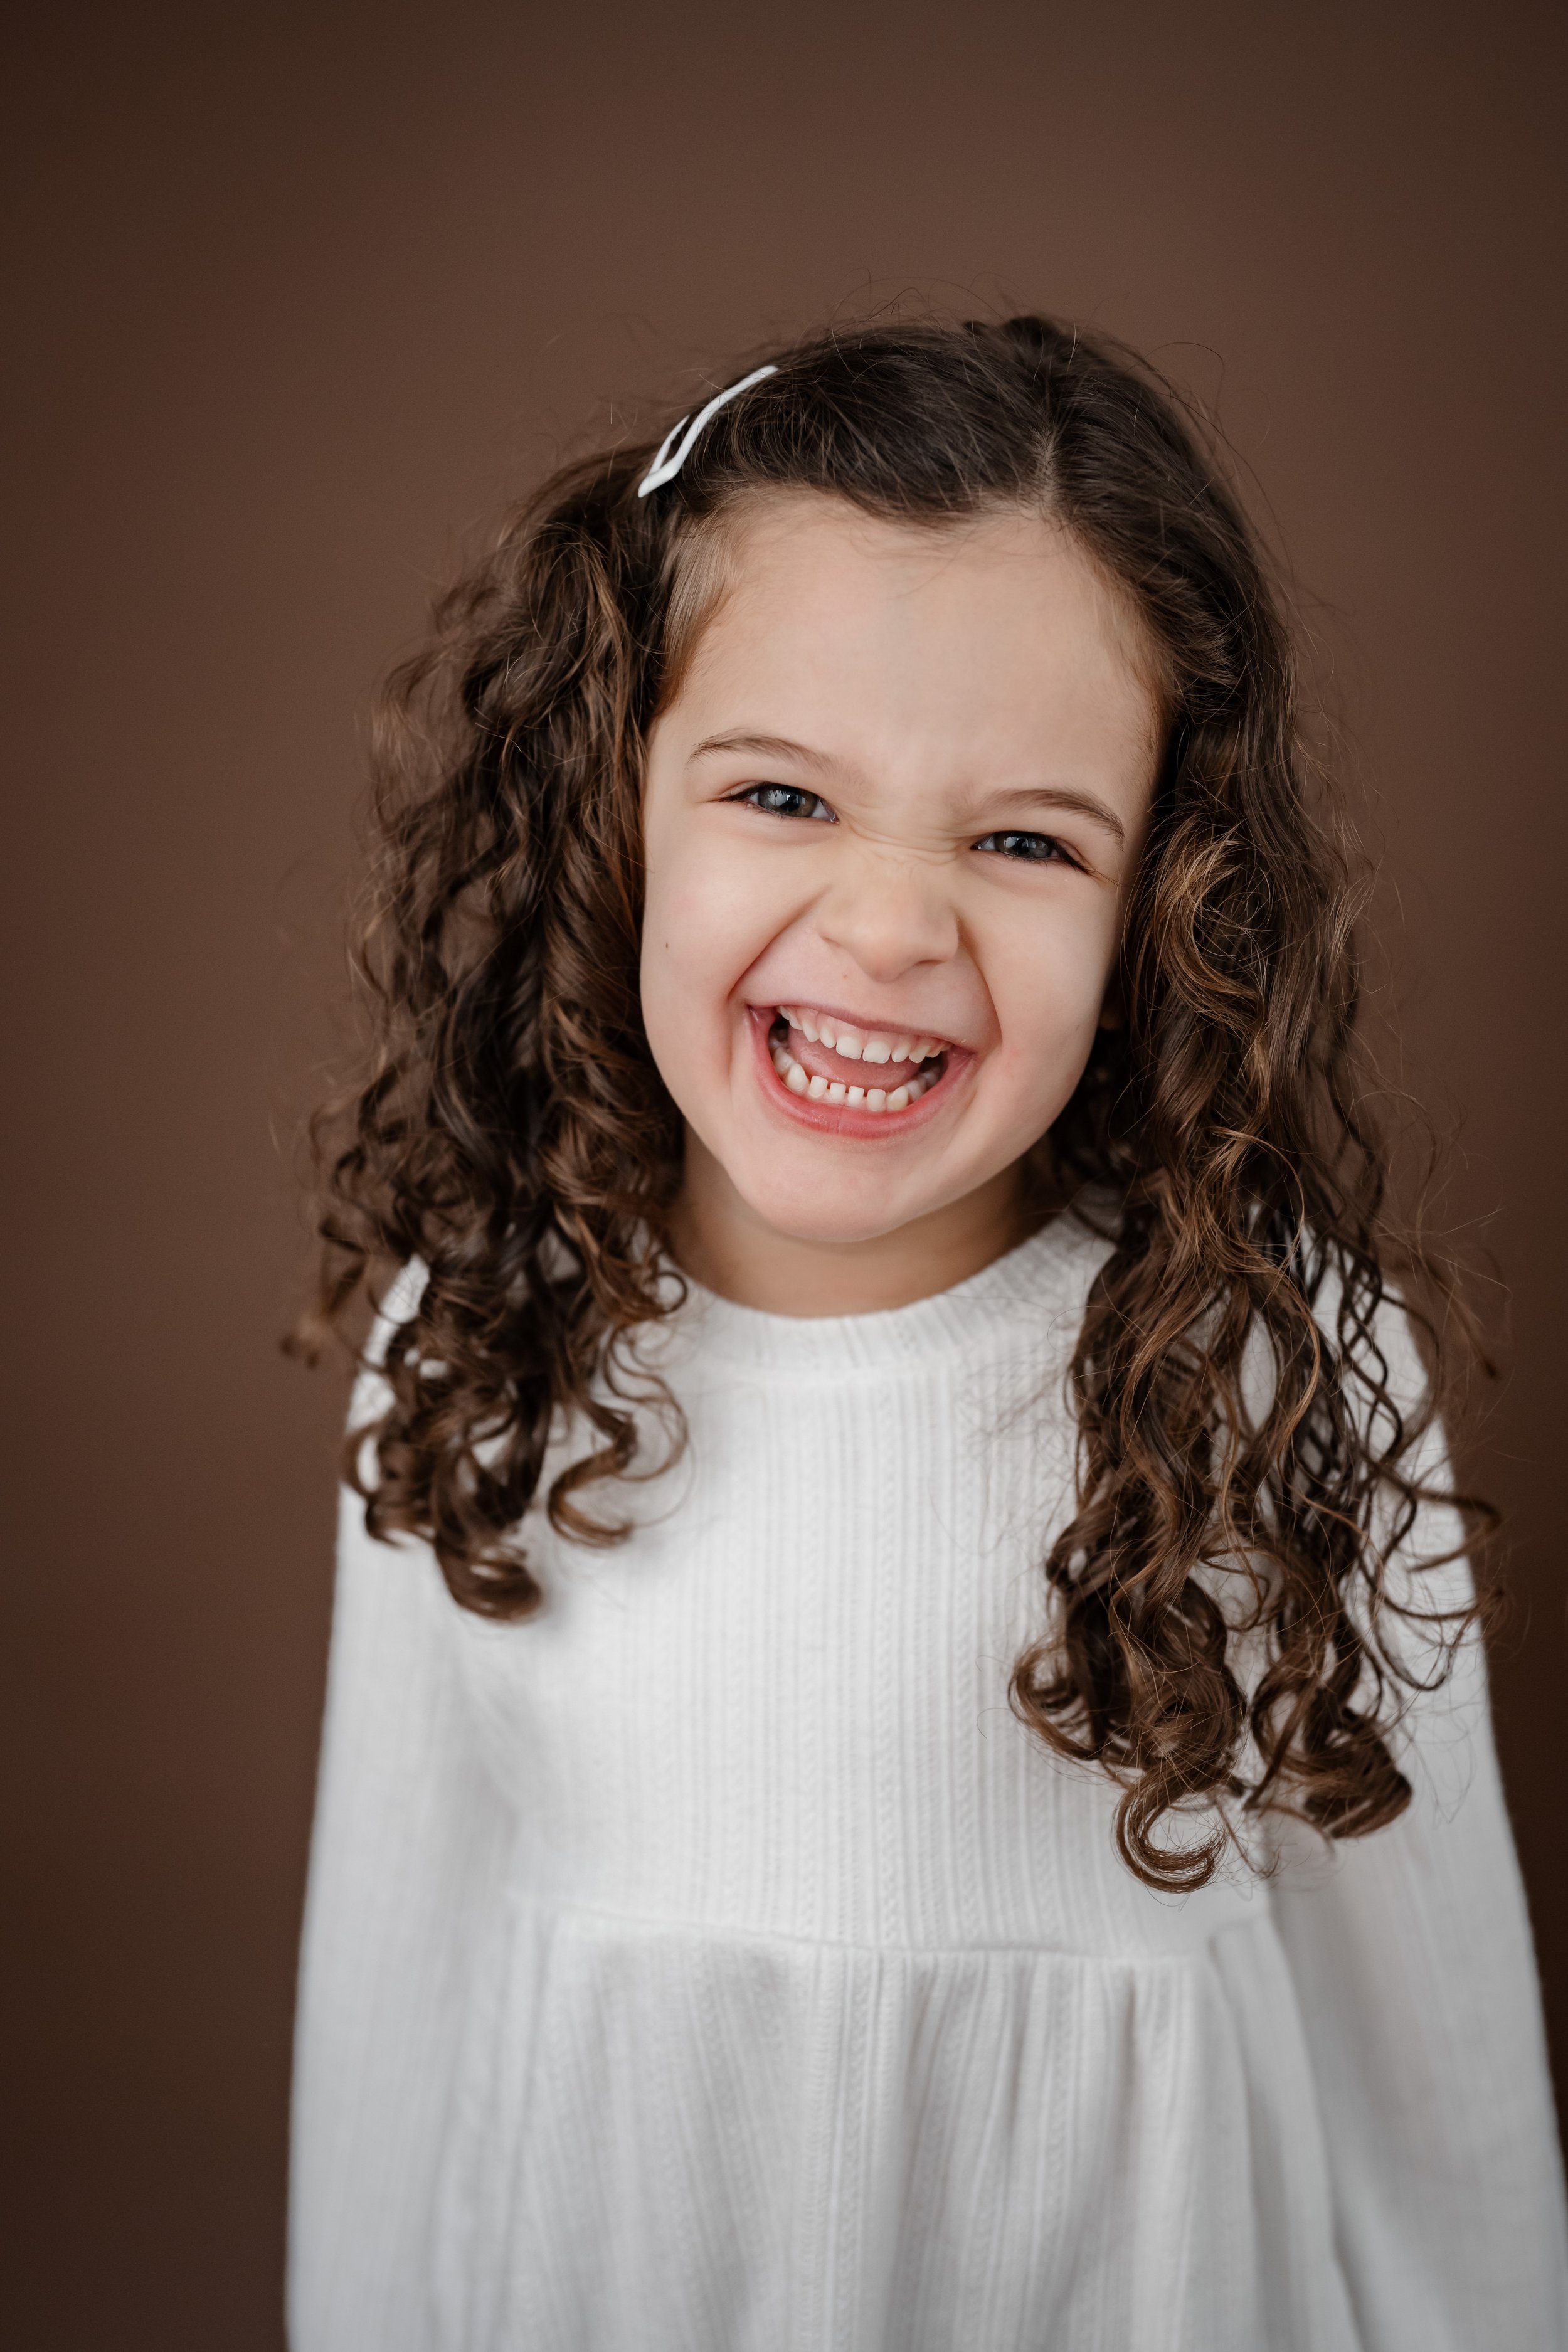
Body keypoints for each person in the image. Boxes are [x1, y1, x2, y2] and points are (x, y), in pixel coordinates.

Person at [286, 317, 1568, 2350]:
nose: (891, 927)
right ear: (621, 812)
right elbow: (392, 1991)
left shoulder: (1265, 1361)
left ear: (1161, 903)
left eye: (1023, 840)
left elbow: (1441, 2076)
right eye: (783, 793)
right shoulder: (489, 1341)